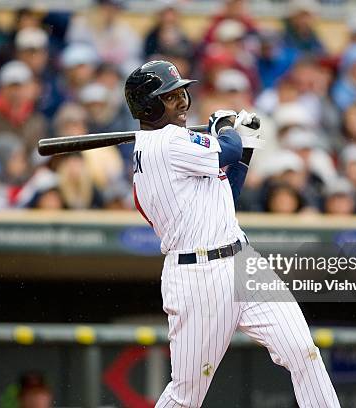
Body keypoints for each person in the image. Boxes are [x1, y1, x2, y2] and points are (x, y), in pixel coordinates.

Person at [125, 60, 340, 407]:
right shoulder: (163, 143)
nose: (181, 101)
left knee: (303, 351)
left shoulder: (176, 145)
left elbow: (228, 191)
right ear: (148, 105)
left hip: (241, 259)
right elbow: (228, 148)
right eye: (170, 96)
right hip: (198, 275)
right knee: (186, 395)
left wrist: (247, 143)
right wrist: (223, 127)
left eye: (182, 93)